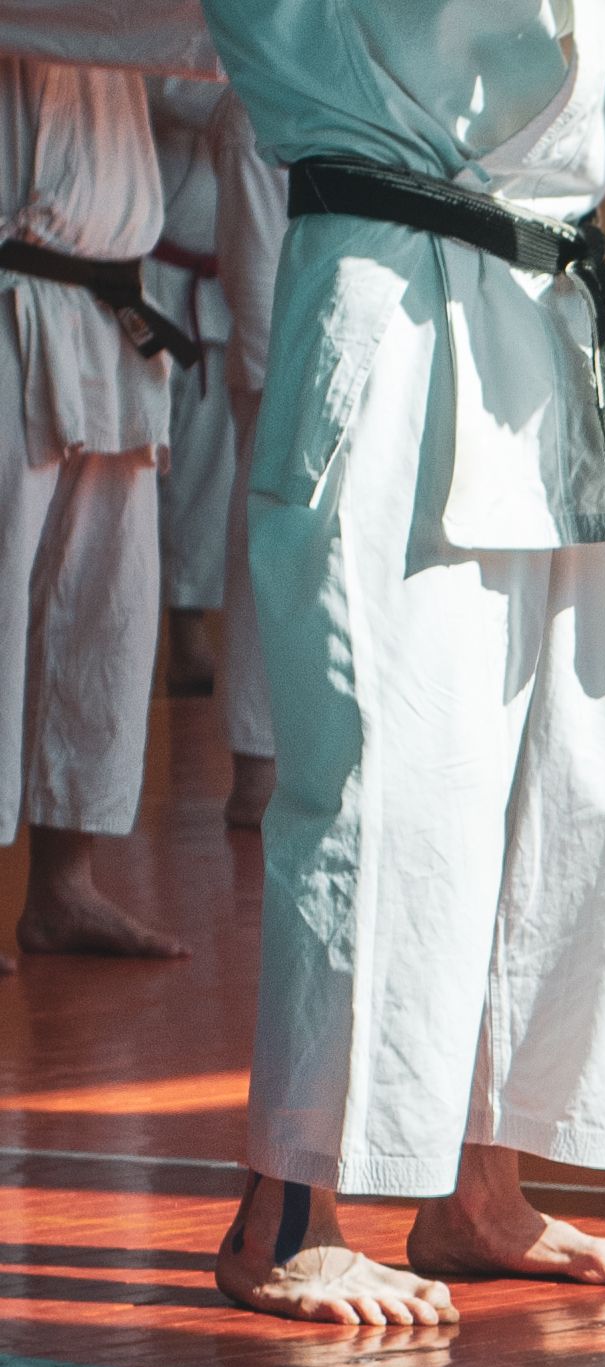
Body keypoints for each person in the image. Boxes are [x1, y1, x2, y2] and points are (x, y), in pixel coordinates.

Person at [199, 0, 605, 1326]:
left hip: (545, 313)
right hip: (394, 302)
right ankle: (290, 1212)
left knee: (568, 788)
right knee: (384, 787)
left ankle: (480, 1189)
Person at [0, 10, 210, 976]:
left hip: (107, 301)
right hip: (14, 292)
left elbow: (180, 75)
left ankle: (62, 883)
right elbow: (155, 29)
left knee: (105, 610)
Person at [204, 76, 279, 834]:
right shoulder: (257, 98)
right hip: (281, 364)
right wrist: (269, 372)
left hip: (364, 351)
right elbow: (252, 259)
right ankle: (256, 768)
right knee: (263, 547)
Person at [144, 71, 228, 700]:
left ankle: (185, 636)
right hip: (144, 279)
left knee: (202, 473)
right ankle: (140, 626)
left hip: (216, 289)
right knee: (137, 464)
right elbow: (177, 90)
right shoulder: (162, 29)